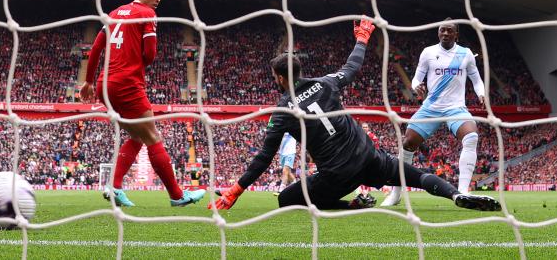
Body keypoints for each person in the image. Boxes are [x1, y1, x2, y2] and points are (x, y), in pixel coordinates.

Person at [210, 18, 500, 212]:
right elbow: (352, 66)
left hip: (337, 175)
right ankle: (455, 194)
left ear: (278, 77)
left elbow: (264, 156)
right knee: (416, 175)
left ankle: (351, 205)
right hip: (369, 158)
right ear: (299, 71)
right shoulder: (325, 82)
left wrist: (236, 190)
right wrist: (362, 38)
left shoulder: (282, 111)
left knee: (287, 199)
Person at [80, 0, 205, 207]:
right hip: (127, 83)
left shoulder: (115, 13)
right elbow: (150, 55)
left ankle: (115, 187)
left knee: (137, 136)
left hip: (103, 84)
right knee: (152, 137)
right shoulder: (147, 14)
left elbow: (97, 47)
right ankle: (177, 196)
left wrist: (88, 82)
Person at [382, 19, 484, 207]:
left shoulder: (466, 54)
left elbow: (476, 79)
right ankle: (396, 193)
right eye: (442, 30)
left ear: (456, 35)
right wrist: (416, 86)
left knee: (471, 136)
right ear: (438, 33)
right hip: (431, 107)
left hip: (456, 107)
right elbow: (416, 78)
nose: (445, 33)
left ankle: (463, 191)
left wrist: (481, 94)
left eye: (449, 31)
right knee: (407, 144)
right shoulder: (428, 52)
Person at [353, 122, 379, 206]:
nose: (364, 128)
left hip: (368, 159)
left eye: (366, 127)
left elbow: (376, 147)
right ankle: (361, 192)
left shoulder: (372, 136)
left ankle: (364, 192)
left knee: (366, 175)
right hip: (360, 158)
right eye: (363, 127)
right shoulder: (358, 135)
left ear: (368, 128)